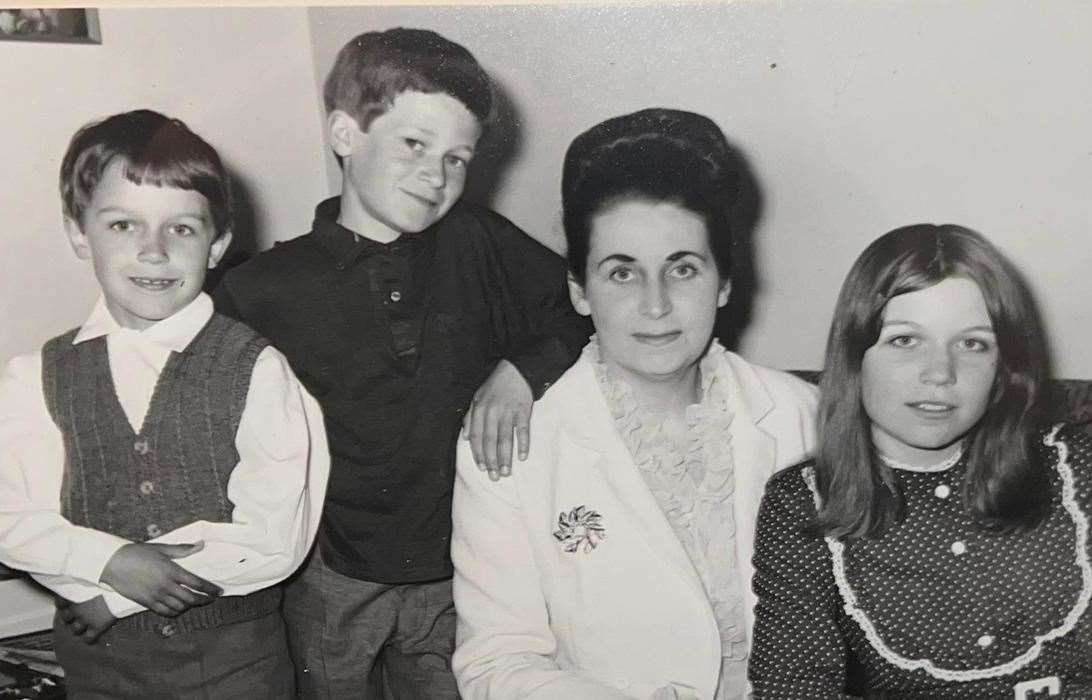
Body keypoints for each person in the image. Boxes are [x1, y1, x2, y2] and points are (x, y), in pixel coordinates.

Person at [213, 28, 591, 698]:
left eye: (457, 158)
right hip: (329, 573)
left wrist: (520, 371)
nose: (436, 174)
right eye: (414, 144)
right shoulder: (262, 287)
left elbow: (582, 311)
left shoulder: (479, 240)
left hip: (462, 569)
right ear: (345, 134)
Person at [451, 108, 819, 700]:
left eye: (683, 269)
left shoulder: (804, 417)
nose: (656, 305)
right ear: (578, 289)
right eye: (622, 273)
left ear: (723, 282)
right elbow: (496, 663)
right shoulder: (514, 448)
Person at [0, 109, 329, 698]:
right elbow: (10, 515)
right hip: (101, 673)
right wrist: (109, 560)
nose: (153, 251)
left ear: (218, 244)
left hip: (238, 671)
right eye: (123, 225)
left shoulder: (258, 369)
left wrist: (115, 597)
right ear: (79, 232)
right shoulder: (35, 377)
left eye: (181, 228)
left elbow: (274, 536)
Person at [748, 224, 1092, 698]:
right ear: (855, 355)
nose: (940, 374)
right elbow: (793, 688)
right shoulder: (802, 504)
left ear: (1002, 368)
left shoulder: (1079, 468)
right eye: (905, 341)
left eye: (972, 343)